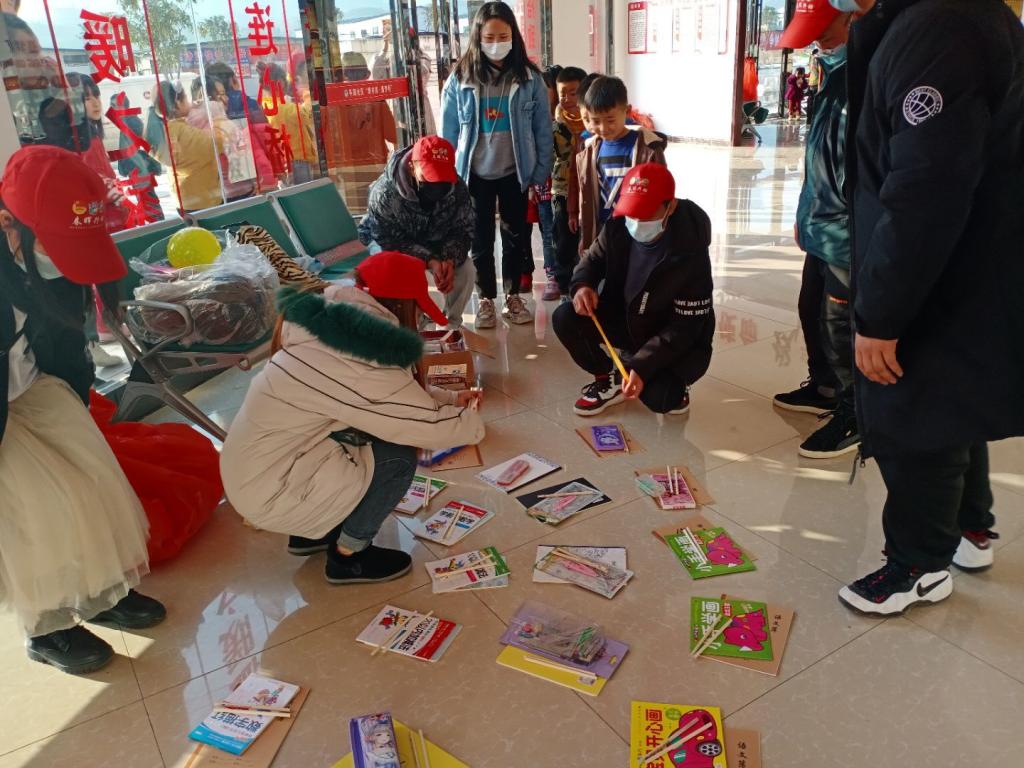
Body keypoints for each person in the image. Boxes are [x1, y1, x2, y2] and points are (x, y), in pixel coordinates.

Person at [834, 0, 1024, 615]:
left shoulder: (940, 30)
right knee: (953, 401)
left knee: (911, 411)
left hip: (939, 274)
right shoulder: (959, 16)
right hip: (969, 265)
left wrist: (881, 315)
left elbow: (926, 191)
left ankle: (919, 565)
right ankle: (970, 528)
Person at [220, 251, 485, 584]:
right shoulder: (361, 351)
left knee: (365, 437)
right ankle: (349, 556)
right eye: (417, 311)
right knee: (397, 457)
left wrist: (449, 397)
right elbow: (420, 424)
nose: (417, 322)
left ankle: (312, 533)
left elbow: (386, 394)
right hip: (273, 488)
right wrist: (471, 420)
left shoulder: (333, 321)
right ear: (399, 306)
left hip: (256, 470)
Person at [0, 145, 166, 674]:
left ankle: (103, 594)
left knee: (94, 482)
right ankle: (47, 628)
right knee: (36, 512)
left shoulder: (41, 261)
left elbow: (65, 342)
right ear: (8, 224)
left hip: (34, 386)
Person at [553, 163, 714, 416]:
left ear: (670, 206)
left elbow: (685, 327)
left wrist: (643, 364)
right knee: (565, 317)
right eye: (632, 213)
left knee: (661, 400)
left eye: (646, 214)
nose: (637, 222)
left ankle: (672, 381)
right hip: (626, 320)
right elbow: (591, 261)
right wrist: (582, 286)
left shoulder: (689, 248)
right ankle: (608, 378)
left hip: (671, 337)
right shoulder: (618, 227)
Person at [773, 1, 857, 460]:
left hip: (849, 234)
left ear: (855, 15)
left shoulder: (866, 79)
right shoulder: (830, 75)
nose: (816, 40)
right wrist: (807, 214)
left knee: (841, 324)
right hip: (821, 225)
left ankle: (854, 412)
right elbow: (822, 160)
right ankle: (824, 387)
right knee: (811, 308)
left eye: (826, 29)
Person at [440, 1, 553, 329]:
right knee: (481, 239)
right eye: (489, 36)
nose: (496, 42)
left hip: (516, 172)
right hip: (474, 175)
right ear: (478, 36)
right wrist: (449, 176)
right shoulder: (461, 78)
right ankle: (486, 299)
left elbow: (542, 130)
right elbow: (448, 134)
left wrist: (540, 173)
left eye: (503, 35)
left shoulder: (529, 78)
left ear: (514, 36)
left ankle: (513, 297)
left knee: (516, 236)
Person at [358, 136, 476, 328]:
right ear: (412, 166)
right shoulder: (384, 194)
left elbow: (463, 230)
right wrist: (430, 260)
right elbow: (389, 242)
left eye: (443, 176)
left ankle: (450, 326)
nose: (438, 183)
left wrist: (448, 261)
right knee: (395, 271)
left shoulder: (456, 187)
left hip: (434, 243)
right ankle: (411, 324)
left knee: (466, 270)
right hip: (390, 246)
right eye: (430, 175)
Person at [575, 76, 667, 255]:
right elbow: (586, 198)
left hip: (636, 232)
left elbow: (663, 195)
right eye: (595, 121)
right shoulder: (589, 151)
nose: (603, 128)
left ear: (627, 111)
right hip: (603, 232)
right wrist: (585, 237)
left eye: (610, 120)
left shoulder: (647, 149)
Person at [323, 52, 398, 213]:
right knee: (378, 210)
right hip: (375, 166)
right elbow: (393, 136)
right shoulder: (376, 99)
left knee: (356, 215)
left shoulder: (333, 102)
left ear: (342, 74)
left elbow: (328, 140)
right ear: (365, 73)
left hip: (347, 169)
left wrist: (332, 171)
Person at [150, 81, 225, 213]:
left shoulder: (164, 131)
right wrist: (217, 115)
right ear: (178, 103)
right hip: (203, 200)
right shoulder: (183, 133)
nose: (189, 101)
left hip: (182, 198)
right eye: (185, 97)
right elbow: (219, 142)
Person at [204, 61, 277, 192]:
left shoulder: (210, 114)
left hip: (229, 184)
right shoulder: (251, 105)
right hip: (260, 176)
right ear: (233, 80)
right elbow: (267, 137)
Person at [551, 66, 587, 301]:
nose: (567, 99)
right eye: (563, 93)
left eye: (573, 93)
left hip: (588, 189)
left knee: (587, 237)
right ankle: (564, 287)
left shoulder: (593, 122)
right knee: (563, 239)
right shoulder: (555, 125)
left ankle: (585, 281)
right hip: (562, 189)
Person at [264, 63, 317, 184]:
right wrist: (306, 91)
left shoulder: (269, 104)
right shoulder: (285, 107)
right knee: (303, 196)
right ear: (280, 82)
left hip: (288, 158)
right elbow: (309, 114)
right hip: (297, 160)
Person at [805, 48, 821, 123]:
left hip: (811, 83)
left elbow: (811, 71)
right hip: (816, 83)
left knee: (810, 102)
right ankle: (814, 120)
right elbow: (820, 73)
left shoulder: (811, 59)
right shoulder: (818, 59)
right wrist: (819, 86)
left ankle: (809, 120)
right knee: (816, 102)